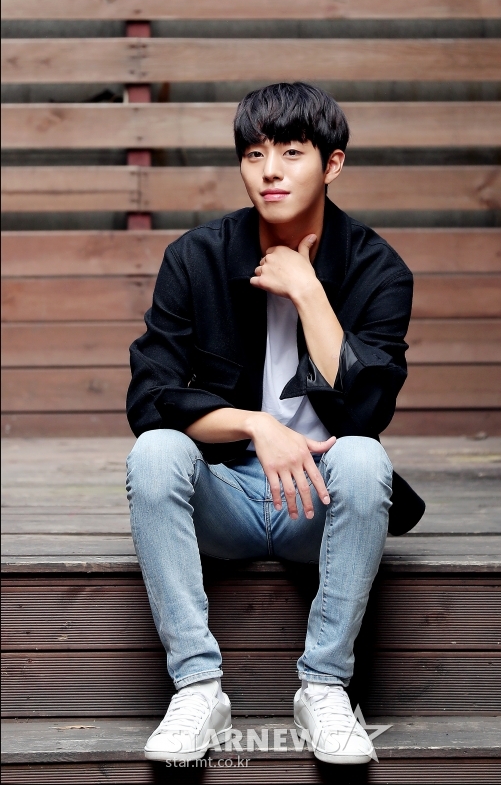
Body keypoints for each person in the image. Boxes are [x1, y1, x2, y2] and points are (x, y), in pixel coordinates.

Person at [126, 82, 425, 766]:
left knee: (364, 459)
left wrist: (309, 291)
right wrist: (256, 425)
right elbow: (150, 398)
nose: (270, 171)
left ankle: (324, 687)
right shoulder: (196, 258)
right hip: (225, 496)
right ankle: (197, 688)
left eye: (292, 152)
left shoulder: (378, 270)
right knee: (155, 453)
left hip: (317, 505)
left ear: (333, 163)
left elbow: (367, 413)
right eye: (254, 154)